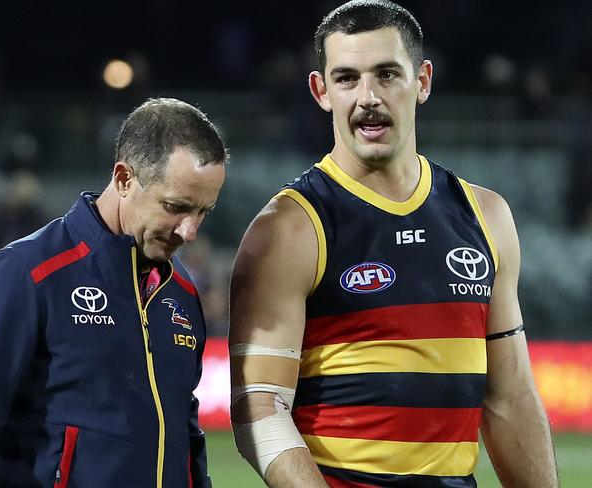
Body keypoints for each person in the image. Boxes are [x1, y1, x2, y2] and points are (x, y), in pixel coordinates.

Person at [228, 1, 559, 487]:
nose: (368, 97)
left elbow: (508, 397)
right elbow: (260, 407)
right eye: (346, 78)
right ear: (321, 91)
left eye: (387, 74)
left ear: (422, 81)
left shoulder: (485, 215)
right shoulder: (288, 229)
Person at [0, 97, 227, 487]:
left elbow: (186, 435)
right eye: (176, 207)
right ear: (124, 178)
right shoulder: (26, 274)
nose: (190, 231)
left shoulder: (181, 292)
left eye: (202, 212)